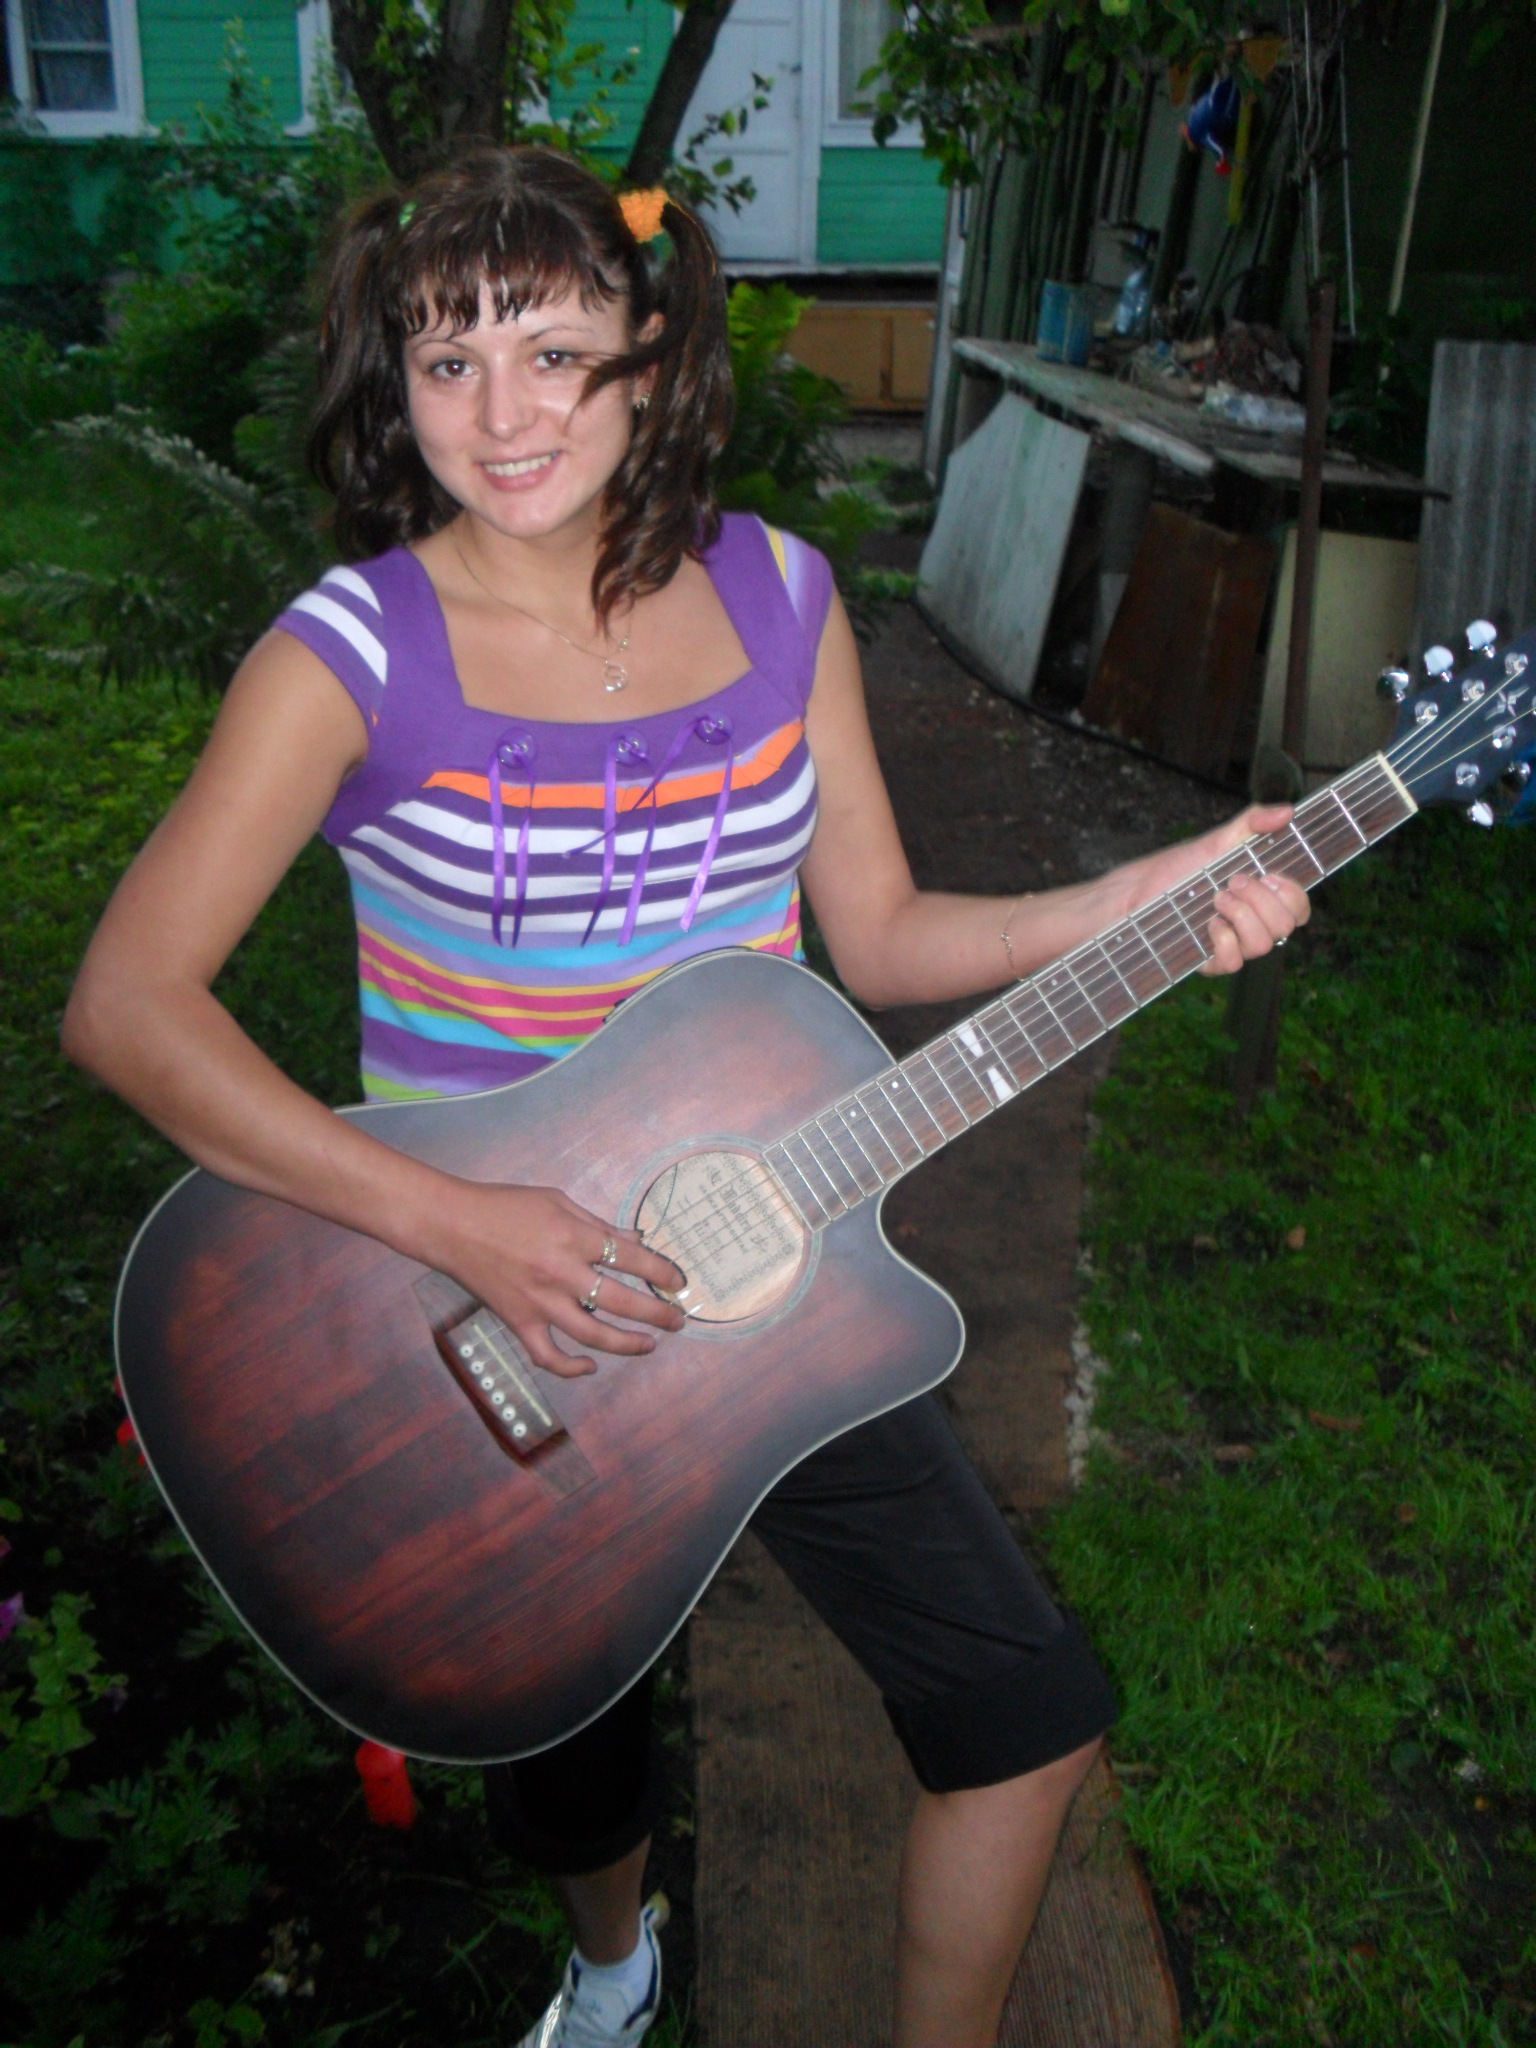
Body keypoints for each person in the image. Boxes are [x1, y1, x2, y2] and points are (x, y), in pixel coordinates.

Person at [63, 146, 1308, 2048]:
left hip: (768, 1280)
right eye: (448, 361)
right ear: (395, 384)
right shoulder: (349, 657)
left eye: (556, 354)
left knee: (1026, 1717)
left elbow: (882, 936)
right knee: (566, 1734)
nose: (504, 415)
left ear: (651, 355)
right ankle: (613, 1967)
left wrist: (1147, 892)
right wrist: (471, 1226)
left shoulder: (782, 596)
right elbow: (128, 1008)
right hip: (461, 1317)